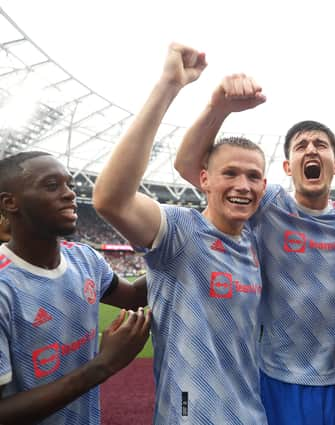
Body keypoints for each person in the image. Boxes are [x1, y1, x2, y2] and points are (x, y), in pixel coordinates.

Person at [175, 80, 335, 424]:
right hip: (277, 377)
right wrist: (218, 107)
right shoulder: (269, 205)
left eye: (321, 144)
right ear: (288, 168)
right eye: (301, 146)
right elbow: (189, 167)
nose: (311, 149)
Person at [93, 44, 269, 424]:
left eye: (253, 176)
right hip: (188, 416)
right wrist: (169, 86)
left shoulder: (256, 241)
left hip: (251, 415)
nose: (243, 185)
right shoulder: (180, 232)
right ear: (204, 179)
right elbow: (111, 199)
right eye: (230, 173)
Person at [0, 151, 150, 424]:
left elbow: (136, 297)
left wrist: (179, 249)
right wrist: (104, 364)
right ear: (10, 202)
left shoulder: (84, 258)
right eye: (52, 185)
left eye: (69, 184)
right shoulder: (4, 287)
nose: (70, 194)